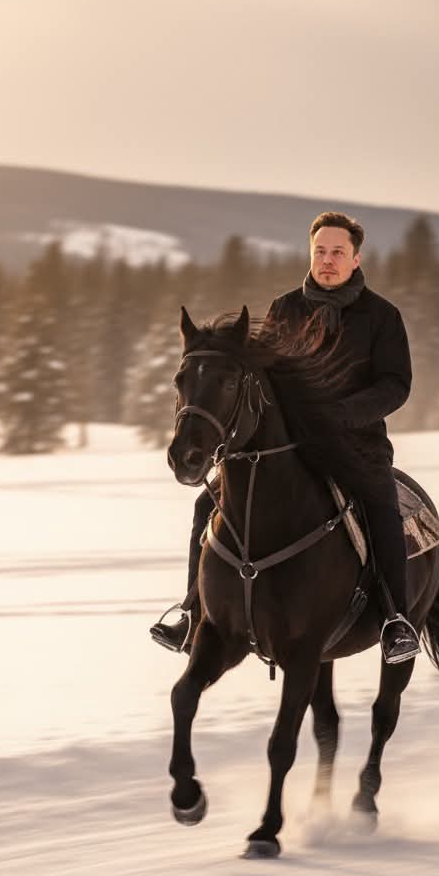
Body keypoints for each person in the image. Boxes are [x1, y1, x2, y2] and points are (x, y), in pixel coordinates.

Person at [151, 210, 421, 665]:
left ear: (356, 258)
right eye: (321, 251)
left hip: (357, 444)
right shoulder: (285, 308)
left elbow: (396, 385)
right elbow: (262, 380)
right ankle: (192, 613)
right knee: (206, 505)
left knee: (381, 507)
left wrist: (343, 413)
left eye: (338, 252)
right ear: (310, 253)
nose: (328, 260)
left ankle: (395, 620)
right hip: (289, 445)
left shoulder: (381, 316)